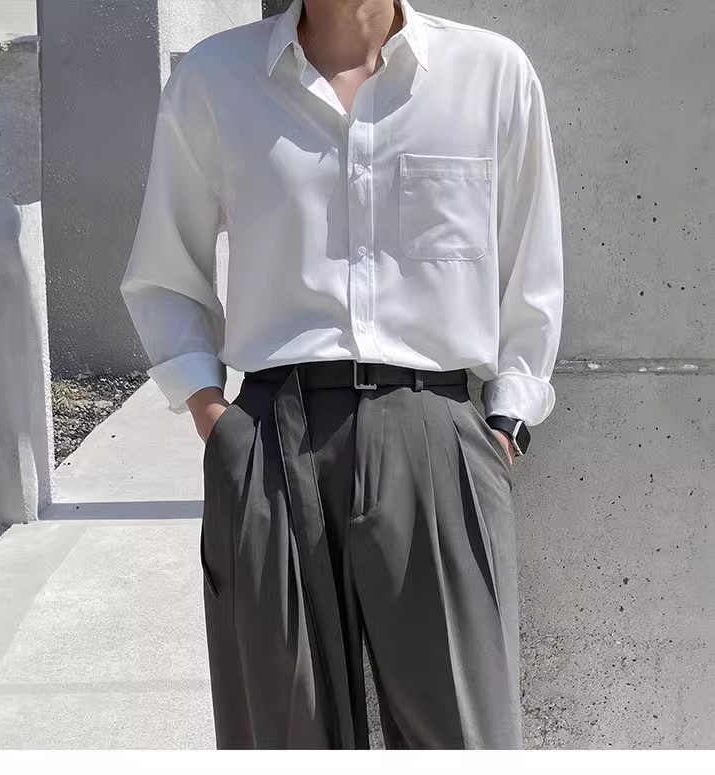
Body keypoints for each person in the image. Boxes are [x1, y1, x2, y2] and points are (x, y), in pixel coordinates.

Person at [119, 0, 564, 750]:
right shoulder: (216, 80)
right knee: (282, 733)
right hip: (269, 438)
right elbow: (166, 270)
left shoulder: (490, 74)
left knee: (466, 736)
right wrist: (213, 416)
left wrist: (504, 424)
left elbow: (533, 267)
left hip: (436, 433)